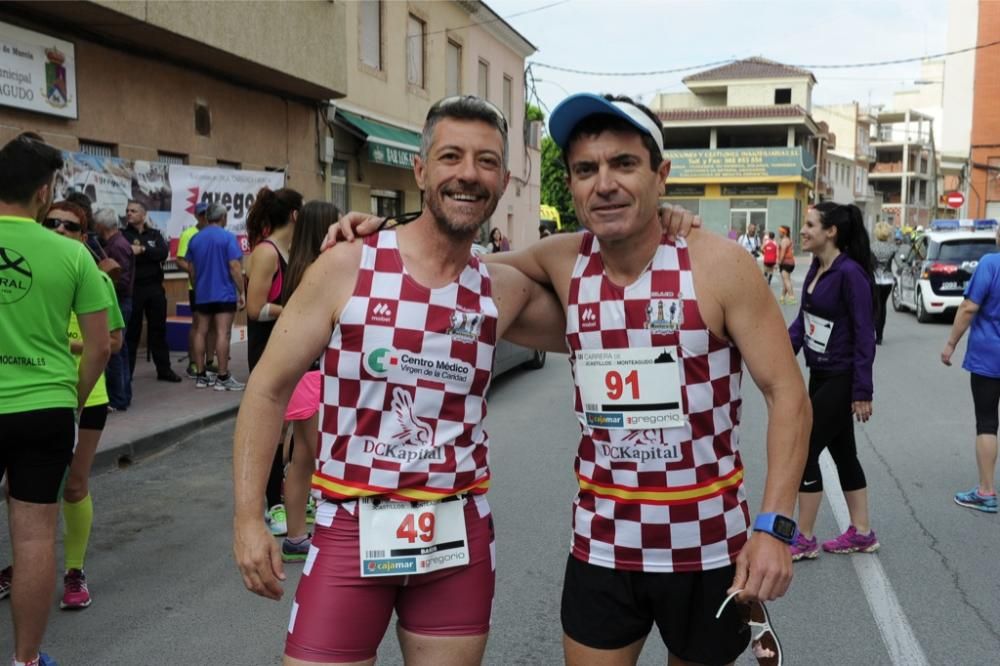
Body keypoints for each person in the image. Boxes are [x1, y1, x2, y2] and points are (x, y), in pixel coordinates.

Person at [329, 93, 811, 666]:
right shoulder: (563, 261)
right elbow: (450, 265)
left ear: (661, 175)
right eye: (586, 169)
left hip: (706, 546)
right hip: (602, 547)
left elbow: (789, 397)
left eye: (624, 165)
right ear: (573, 184)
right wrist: (383, 236)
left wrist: (774, 528)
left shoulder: (721, 265)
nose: (604, 183)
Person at [232, 95, 568, 666]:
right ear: (420, 170)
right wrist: (246, 519)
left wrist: (658, 223)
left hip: (454, 538)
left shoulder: (499, 288)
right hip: (349, 527)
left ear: (504, 181)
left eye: (486, 162)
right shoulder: (347, 264)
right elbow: (267, 389)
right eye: (451, 157)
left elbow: (605, 308)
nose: (468, 173)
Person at [0, 133, 111, 666]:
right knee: (34, 539)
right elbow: (99, 346)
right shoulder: (72, 254)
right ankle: (25, 660)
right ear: (44, 193)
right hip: (44, 407)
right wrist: (73, 399)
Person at [41, 201, 126, 610]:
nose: (59, 231)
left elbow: (113, 344)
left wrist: (65, 342)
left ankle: (74, 571)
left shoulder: (95, 278)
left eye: (70, 227)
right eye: (51, 223)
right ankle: (21, 566)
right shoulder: (29, 272)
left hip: (85, 397)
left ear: (83, 236)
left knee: (74, 486)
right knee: (23, 491)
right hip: (36, 393)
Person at [787, 202, 878, 561]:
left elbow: (864, 334)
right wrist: (776, 353)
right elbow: (803, 323)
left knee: (804, 448)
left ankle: (805, 538)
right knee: (843, 453)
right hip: (820, 373)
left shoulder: (850, 274)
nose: (803, 230)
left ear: (831, 232)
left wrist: (862, 391)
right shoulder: (817, 269)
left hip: (841, 377)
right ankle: (862, 532)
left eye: (810, 225)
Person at [275, 200, 342, 563]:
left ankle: (296, 536)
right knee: (320, 458)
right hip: (317, 376)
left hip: (303, 375)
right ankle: (313, 535)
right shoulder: (321, 270)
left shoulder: (297, 266)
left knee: (303, 458)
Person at [244, 186, 303, 536]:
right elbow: (255, 308)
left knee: (293, 428)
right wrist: (294, 310)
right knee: (273, 430)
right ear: (295, 214)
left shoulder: (291, 250)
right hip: (267, 353)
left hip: (290, 350)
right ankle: (273, 504)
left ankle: (285, 493)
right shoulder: (267, 253)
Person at [942, 221, 1000, 513]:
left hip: (990, 357)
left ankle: (986, 491)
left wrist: (951, 343)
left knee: (987, 422)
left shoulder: (991, 263)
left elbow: (968, 307)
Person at [185, 203, 245, 391]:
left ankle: (201, 376)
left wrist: (197, 287)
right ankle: (222, 376)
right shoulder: (228, 237)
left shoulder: (195, 239)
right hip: (224, 294)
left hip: (202, 293)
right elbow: (234, 266)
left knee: (200, 331)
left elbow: (191, 270)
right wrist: (242, 291)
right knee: (222, 333)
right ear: (223, 218)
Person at [122, 200, 181, 382]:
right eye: (128, 211)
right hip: (135, 289)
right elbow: (126, 254)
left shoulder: (154, 234)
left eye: (133, 211)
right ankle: (127, 374)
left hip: (155, 288)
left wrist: (142, 249)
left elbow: (162, 253)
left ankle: (164, 370)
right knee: (132, 333)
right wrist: (147, 252)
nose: (129, 213)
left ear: (143, 214)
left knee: (158, 331)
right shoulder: (123, 235)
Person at [94, 208, 135, 410]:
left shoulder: (117, 246)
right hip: (122, 301)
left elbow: (123, 279)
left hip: (119, 301)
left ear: (102, 226)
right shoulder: (116, 243)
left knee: (116, 352)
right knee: (122, 350)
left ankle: (119, 398)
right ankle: (123, 396)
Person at [176, 202, 218, 378]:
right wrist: (196, 271)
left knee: (214, 326)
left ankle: (209, 361)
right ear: (196, 216)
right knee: (198, 325)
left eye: (207, 214)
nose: (205, 217)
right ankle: (194, 362)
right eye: (202, 214)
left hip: (215, 288)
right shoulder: (189, 234)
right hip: (197, 288)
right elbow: (180, 260)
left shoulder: (215, 233)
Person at [870, 222, 897, 345]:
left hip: (875, 279)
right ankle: (880, 336)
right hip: (888, 280)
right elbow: (899, 262)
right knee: (883, 306)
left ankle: (874, 332)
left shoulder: (871, 247)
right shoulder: (892, 248)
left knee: (875, 306)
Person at [777, 225, 796, 304]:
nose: (778, 233)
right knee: (785, 280)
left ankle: (792, 297)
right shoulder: (788, 239)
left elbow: (783, 252)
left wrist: (779, 262)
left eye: (779, 232)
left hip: (786, 262)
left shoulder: (784, 240)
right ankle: (782, 297)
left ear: (783, 232)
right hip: (790, 262)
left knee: (786, 280)